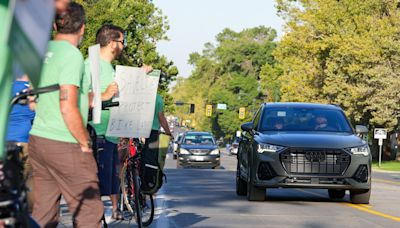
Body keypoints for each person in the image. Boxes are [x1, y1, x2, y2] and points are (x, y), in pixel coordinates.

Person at [28, 3, 104, 227]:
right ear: (82, 28)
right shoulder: (73, 56)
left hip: (38, 139)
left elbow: (33, 100)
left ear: (54, 25)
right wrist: (84, 142)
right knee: (89, 211)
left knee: (43, 211)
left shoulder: (41, 51)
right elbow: (67, 104)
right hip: (64, 141)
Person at [85, 24, 125, 220]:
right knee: (95, 185)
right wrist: (104, 94)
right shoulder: (90, 64)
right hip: (97, 133)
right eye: (122, 42)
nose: (123, 46)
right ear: (112, 43)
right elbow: (81, 96)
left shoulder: (109, 67)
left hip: (111, 134)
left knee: (108, 181)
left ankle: (107, 214)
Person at [6, 74, 35, 212]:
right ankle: (29, 215)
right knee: (29, 180)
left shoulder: (6, 87)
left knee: (8, 181)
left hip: (6, 141)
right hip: (26, 139)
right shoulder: (31, 90)